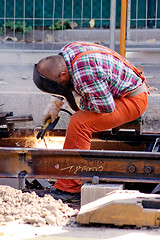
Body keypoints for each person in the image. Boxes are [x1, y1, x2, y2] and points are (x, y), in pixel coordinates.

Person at [33, 41, 148, 202]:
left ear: (62, 75)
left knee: (80, 123)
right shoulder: (66, 54)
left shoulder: (84, 74)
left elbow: (106, 106)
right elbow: (64, 85)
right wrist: (54, 105)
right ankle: (70, 182)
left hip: (132, 99)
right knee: (80, 118)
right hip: (118, 90)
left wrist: (78, 101)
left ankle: (69, 188)